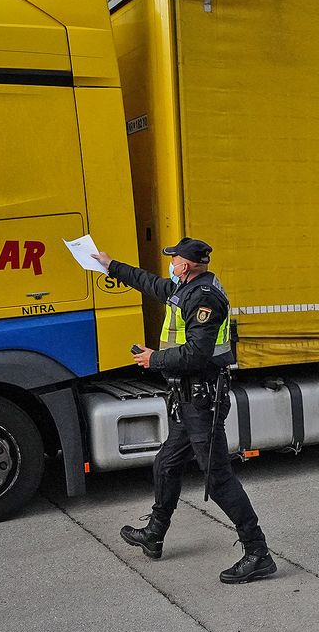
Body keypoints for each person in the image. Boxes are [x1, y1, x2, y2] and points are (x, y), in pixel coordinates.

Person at [91, 238, 276, 584]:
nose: (171, 264)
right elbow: (152, 284)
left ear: (188, 265)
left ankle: (258, 552)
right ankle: (155, 534)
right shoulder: (187, 288)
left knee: (217, 478)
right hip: (188, 398)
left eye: (174, 259)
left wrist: (153, 359)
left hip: (202, 400)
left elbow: (197, 354)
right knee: (167, 463)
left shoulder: (203, 299)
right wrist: (110, 265)